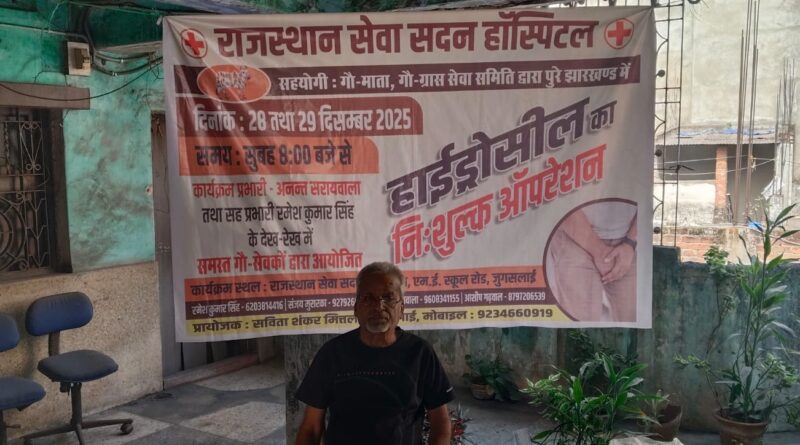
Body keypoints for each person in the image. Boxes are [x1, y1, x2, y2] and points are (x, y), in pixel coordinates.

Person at [295, 262, 454, 445]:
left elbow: (441, 423)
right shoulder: (332, 353)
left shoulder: (420, 353)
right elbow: (311, 428)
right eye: (368, 298)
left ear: (402, 308)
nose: (378, 306)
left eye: (388, 297)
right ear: (355, 308)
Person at [546, 202, 637, 321]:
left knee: (630, 318)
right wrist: (599, 251)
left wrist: (630, 242)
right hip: (575, 234)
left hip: (627, 240)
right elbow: (560, 199)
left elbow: (646, 203)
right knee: (581, 320)